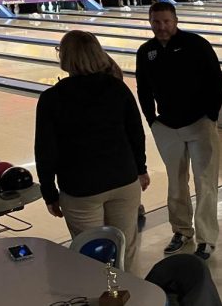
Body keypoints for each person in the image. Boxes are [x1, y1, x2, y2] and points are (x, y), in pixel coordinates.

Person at [36, 31, 148, 269]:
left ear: (65, 57)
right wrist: (141, 168)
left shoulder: (52, 98)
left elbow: (46, 151)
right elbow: (136, 133)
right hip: (123, 180)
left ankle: (101, 299)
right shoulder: (117, 88)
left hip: (81, 189)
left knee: (92, 256)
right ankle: (134, 298)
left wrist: (49, 193)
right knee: (126, 248)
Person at [136, 1, 222, 260]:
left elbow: (215, 79)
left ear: (175, 20)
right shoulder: (146, 51)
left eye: (166, 21)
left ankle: (206, 238)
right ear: (150, 22)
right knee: (176, 182)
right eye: (156, 22)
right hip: (166, 127)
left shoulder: (196, 44)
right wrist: (152, 119)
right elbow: (142, 88)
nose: (161, 26)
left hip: (200, 123)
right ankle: (182, 230)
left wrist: (211, 115)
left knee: (205, 181)